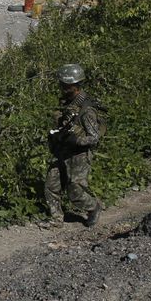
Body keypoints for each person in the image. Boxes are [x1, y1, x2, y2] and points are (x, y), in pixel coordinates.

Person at [41, 63, 102, 228]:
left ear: (75, 86)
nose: (62, 88)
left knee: (75, 189)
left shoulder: (86, 110)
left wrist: (76, 140)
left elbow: (94, 138)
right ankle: (56, 218)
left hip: (78, 155)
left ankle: (93, 207)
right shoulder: (67, 103)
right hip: (62, 150)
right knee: (51, 185)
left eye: (65, 85)